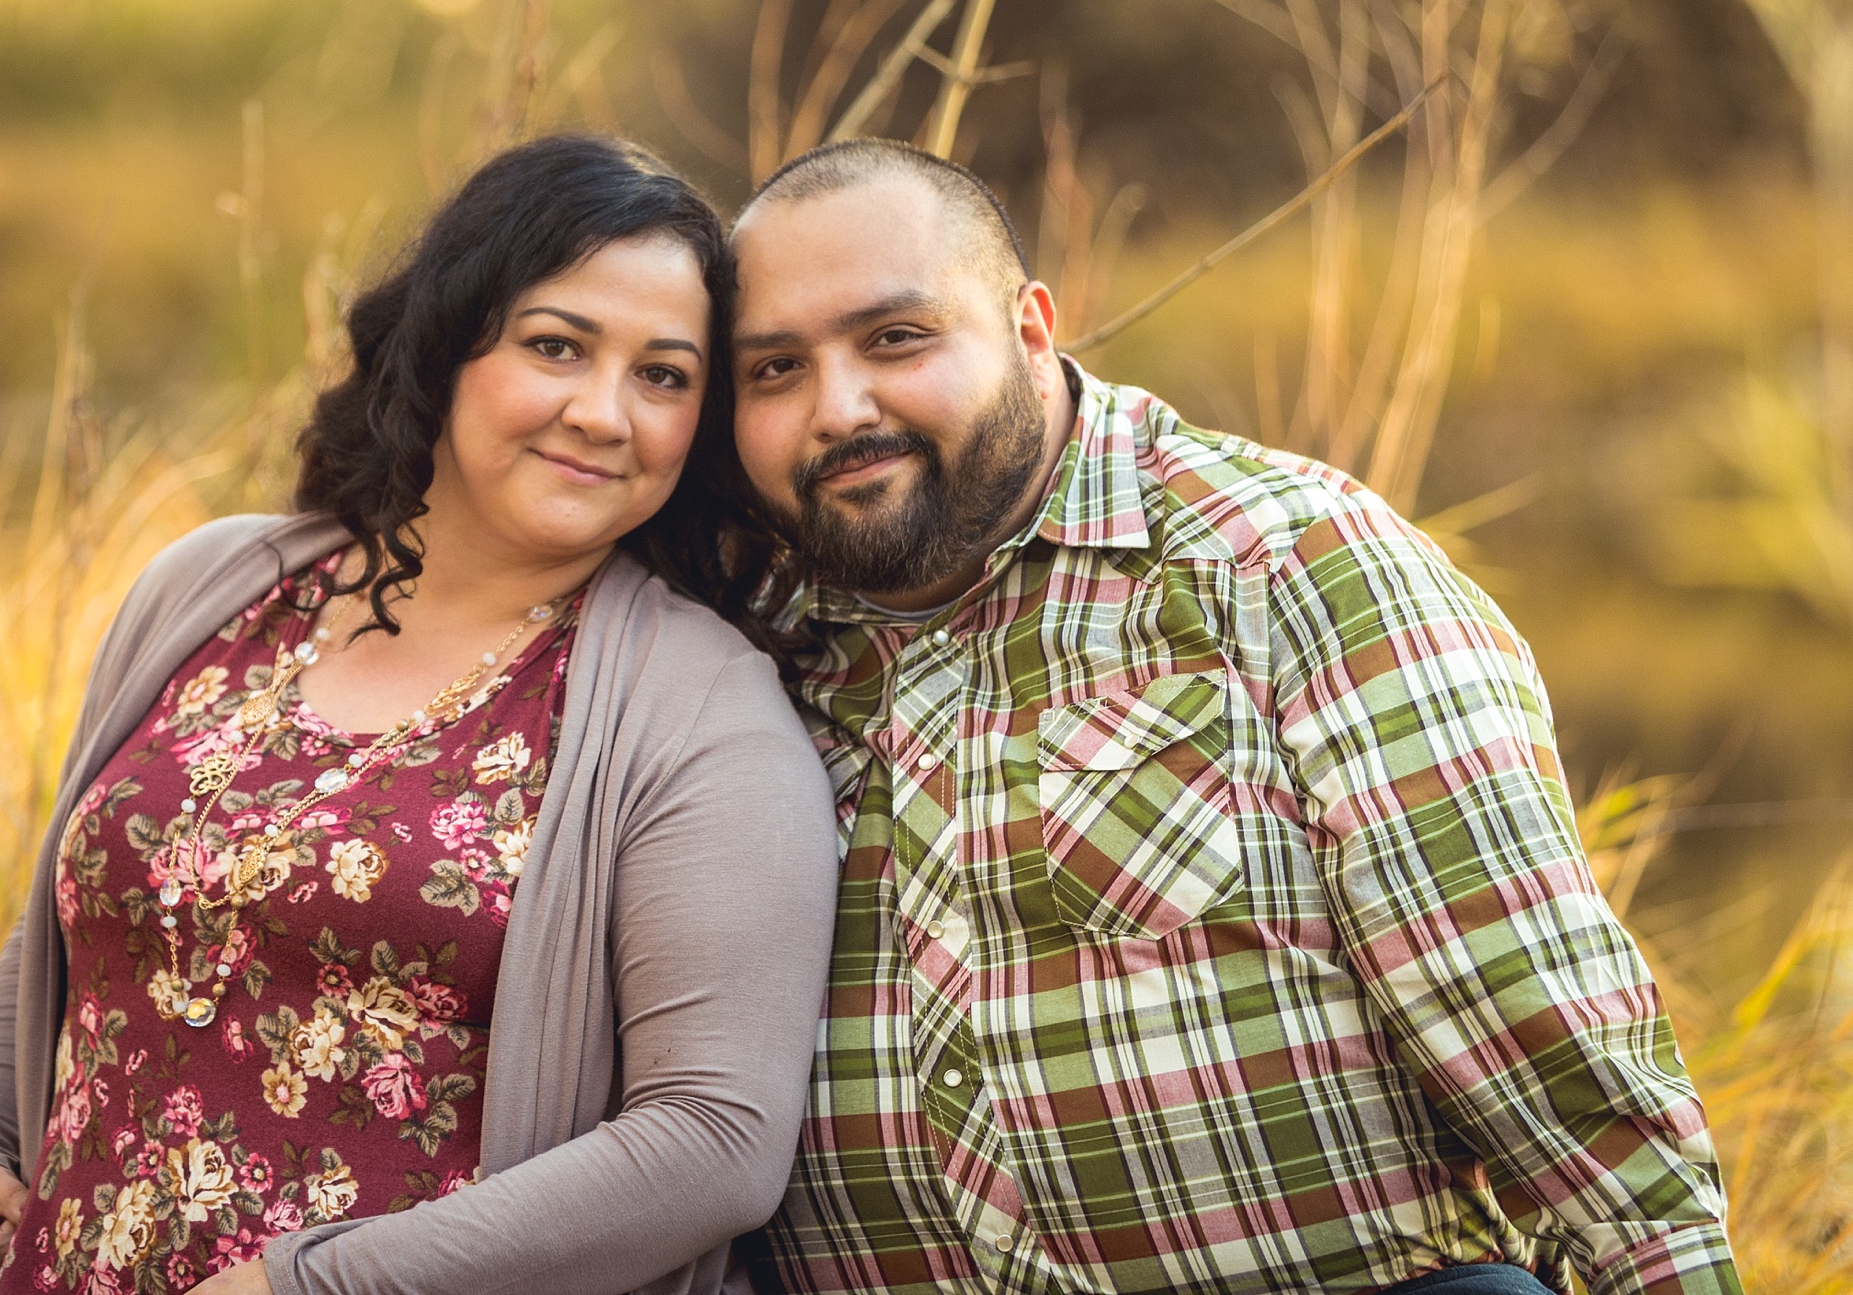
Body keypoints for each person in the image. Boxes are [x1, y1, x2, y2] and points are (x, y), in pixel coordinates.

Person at [720, 138, 1742, 1295]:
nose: (836, 407)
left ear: (1029, 328)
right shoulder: (736, 653)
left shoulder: (1289, 566)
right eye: (772, 371)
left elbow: (1552, 1062)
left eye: (894, 339)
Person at [0, 133, 840, 1295]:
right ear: (447, 346)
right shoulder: (213, 587)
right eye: (555, 347)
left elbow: (711, 1143)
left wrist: (310, 1285)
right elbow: (77, 899)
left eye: (663, 376)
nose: (604, 413)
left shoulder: (699, 711)